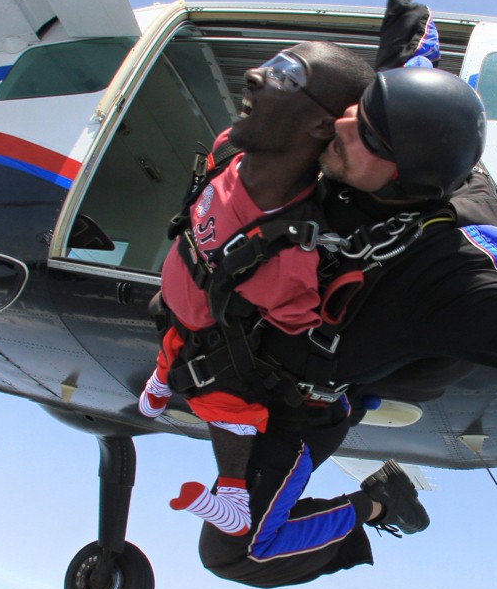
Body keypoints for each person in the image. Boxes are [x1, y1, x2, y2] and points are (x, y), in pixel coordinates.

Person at [198, 61, 497, 589]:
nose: (337, 126)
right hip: (261, 315)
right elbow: (407, 68)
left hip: (309, 393)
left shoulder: (442, 271)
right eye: (355, 112)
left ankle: (382, 503)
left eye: (364, 132)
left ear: (398, 174)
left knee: (236, 552)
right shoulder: (375, 148)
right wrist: (404, 2)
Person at [137, 41, 375, 536]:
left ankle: (233, 499)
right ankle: (159, 382)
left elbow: (294, 322)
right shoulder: (228, 147)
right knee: (168, 323)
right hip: (177, 301)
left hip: (206, 326)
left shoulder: (288, 255)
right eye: (272, 64)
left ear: (319, 128)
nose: (253, 74)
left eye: (288, 76)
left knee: (223, 400)